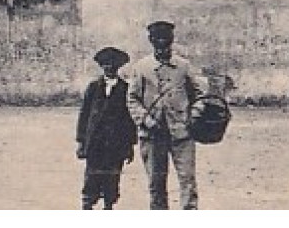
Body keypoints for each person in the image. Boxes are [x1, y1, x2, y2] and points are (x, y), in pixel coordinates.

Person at [124, 20, 202, 210]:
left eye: (165, 41)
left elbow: (200, 94)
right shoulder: (141, 68)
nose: (162, 46)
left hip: (181, 133)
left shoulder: (184, 66)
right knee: (156, 183)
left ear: (171, 41)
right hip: (152, 135)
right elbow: (132, 99)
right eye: (157, 41)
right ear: (151, 41)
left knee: (187, 180)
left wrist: (194, 114)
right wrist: (146, 120)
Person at [75, 46, 136, 210]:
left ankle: (109, 205)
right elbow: (84, 115)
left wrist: (130, 145)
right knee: (92, 175)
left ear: (118, 67)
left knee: (113, 176)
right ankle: (88, 203)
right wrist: (81, 141)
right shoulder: (94, 87)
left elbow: (130, 119)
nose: (109, 67)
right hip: (95, 141)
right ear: (101, 66)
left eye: (113, 64)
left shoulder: (126, 89)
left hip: (116, 143)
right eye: (106, 64)